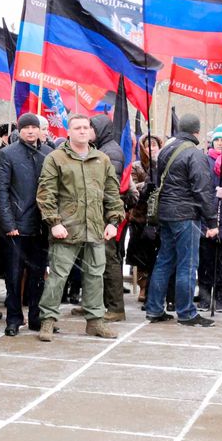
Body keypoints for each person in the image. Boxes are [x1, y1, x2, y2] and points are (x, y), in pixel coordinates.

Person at [35, 114, 124, 341]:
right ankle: (47, 321)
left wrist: (113, 222)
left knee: (95, 276)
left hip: (95, 228)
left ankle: (95, 322)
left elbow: (112, 193)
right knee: (58, 276)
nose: (83, 131)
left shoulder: (102, 159)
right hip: (66, 228)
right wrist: (54, 223)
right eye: (78, 127)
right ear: (69, 131)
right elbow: (46, 194)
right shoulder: (56, 158)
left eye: (86, 127)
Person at [145, 114, 217, 327]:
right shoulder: (195, 154)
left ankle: (155, 309)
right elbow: (203, 190)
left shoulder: (166, 150)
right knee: (187, 264)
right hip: (186, 214)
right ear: (196, 132)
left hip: (166, 213)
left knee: (164, 260)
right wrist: (212, 221)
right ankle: (186, 312)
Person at [0, 112, 52, 336]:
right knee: (14, 277)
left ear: (39, 129)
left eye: (33, 127)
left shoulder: (48, 153)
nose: (30, 131)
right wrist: (8, 223)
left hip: (40, 226)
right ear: (20, 129)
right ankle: (14, 318)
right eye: (25, 127)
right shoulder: (7, 154)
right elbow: (1, 191)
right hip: (16, 226)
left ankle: (36, 317)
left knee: (38, 276)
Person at [89, 113, 129, 322]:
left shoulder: (111, 152)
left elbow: (108, 185)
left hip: (106, 212)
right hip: (99, 211)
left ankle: (116, 307)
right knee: (97, 259)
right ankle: (97, 303)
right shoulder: (102, 149)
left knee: (109, 258)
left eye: (91, 129)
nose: (88, 132)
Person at [198, 126, 222, 313]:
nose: (220, 143)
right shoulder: (204, 160)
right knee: (206, 260)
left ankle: (221, 298)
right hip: (207, 215)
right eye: (217, 140)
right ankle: (205, 297)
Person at [125, 135, 161, 309]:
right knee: (140, 256)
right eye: (148, 146)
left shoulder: (162, 164)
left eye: (154, 145)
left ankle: (155, 288)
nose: (151, 148)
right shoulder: (137, 166)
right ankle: (143, 286)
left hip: (158, 217)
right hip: (139, 216)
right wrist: (145, 184)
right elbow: (131, 186)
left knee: (155, 255)